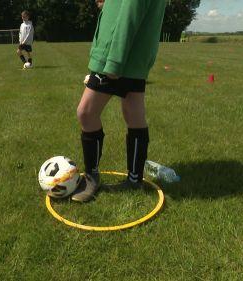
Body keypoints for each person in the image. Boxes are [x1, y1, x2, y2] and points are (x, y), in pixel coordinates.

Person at [72, 0, 166, 202]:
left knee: (86, 113)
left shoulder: (115, 59)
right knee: (134, 113)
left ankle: (91, 178)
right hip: (136, 55)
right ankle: (134, 180)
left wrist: (114, 62)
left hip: (116, 56)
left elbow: (132, 8)